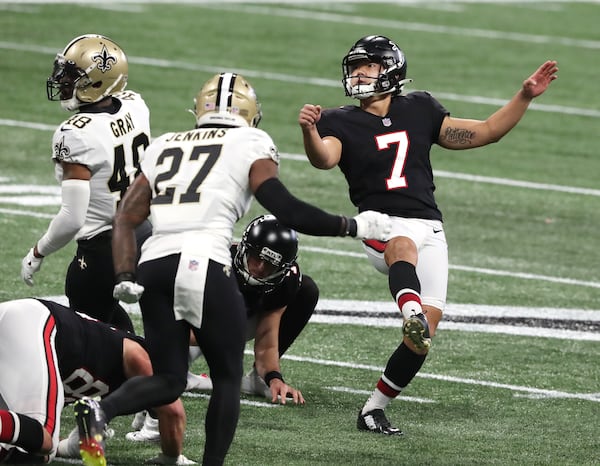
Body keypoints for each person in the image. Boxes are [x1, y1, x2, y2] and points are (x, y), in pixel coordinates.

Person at [72, 71, 392, 466]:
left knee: (168, 379)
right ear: (250, 114)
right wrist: (353, 225)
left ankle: (99, 413)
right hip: (204, 258)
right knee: (226, 376)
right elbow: (285, 208)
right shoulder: (250, 141)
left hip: (154, 264)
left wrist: (124, 274)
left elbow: (125, 218)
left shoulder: (165, 143)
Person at [298, 35, 558, 435]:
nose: (358, 73)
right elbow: (325, 158)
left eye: (366, 65)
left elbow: (487, 131)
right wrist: (310, 132)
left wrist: (524, 96)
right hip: (379, 222)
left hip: (429, 225)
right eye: (354, 67)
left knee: (422, 341)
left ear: (391, 70)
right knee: (401, 250)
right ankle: (410, 312)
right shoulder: (338, 120)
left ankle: (373, 408)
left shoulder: (419, 108)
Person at [128, 214, 317, 443]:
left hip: (233, 323)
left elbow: (267, 338)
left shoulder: (285, 281)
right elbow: (176, 323)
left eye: (269, 265)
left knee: (307, 290)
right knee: (166, 371)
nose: (258, 268)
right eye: (256, 257)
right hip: (191, 321)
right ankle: (155, 402)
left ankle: (254, 378)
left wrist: (273, 377)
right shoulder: (218, 264)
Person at [20, 33, 152, 333]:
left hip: (104, 249)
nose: (63, 82)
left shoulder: (75, 133)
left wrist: (38, 251)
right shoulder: (136, 106)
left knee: (87, 335)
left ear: (96, 82)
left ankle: (149, 374)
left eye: (71, 76)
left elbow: (72, 217)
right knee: (118, 323)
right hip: (144, 232)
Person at [0, 298, 193, 465]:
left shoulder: (110, 386)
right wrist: (171, 457)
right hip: (31, 323)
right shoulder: (140, 357)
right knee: (42, 439)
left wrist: (74, 444)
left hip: (23, 326)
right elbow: (174, 413)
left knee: (22, 448)